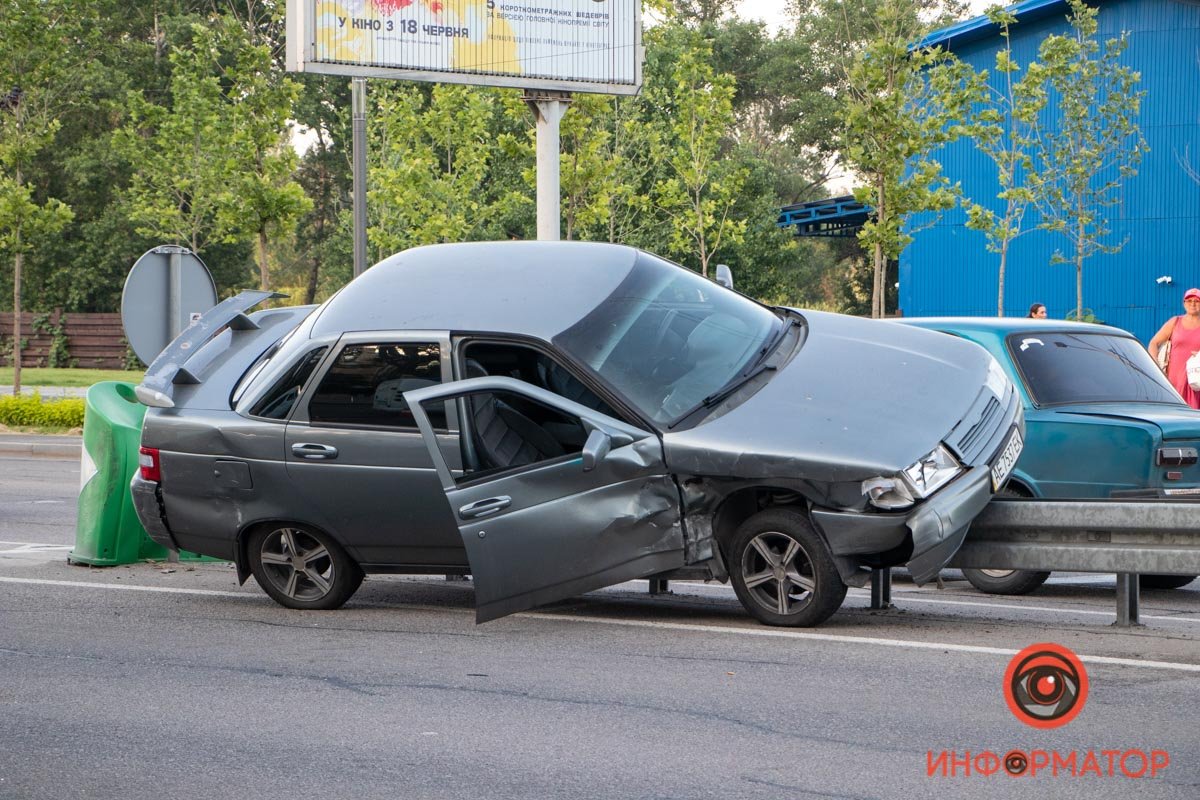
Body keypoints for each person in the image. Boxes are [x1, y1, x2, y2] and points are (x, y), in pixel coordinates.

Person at [1149, 288, 1200, 409]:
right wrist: (1155, 366)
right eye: (1189, 301)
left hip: (1197, 383)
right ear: (1184, 303)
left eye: (1197, 301)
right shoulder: (1175, 322)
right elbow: (1154, 343)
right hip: (1174, 382)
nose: (1193, 304)